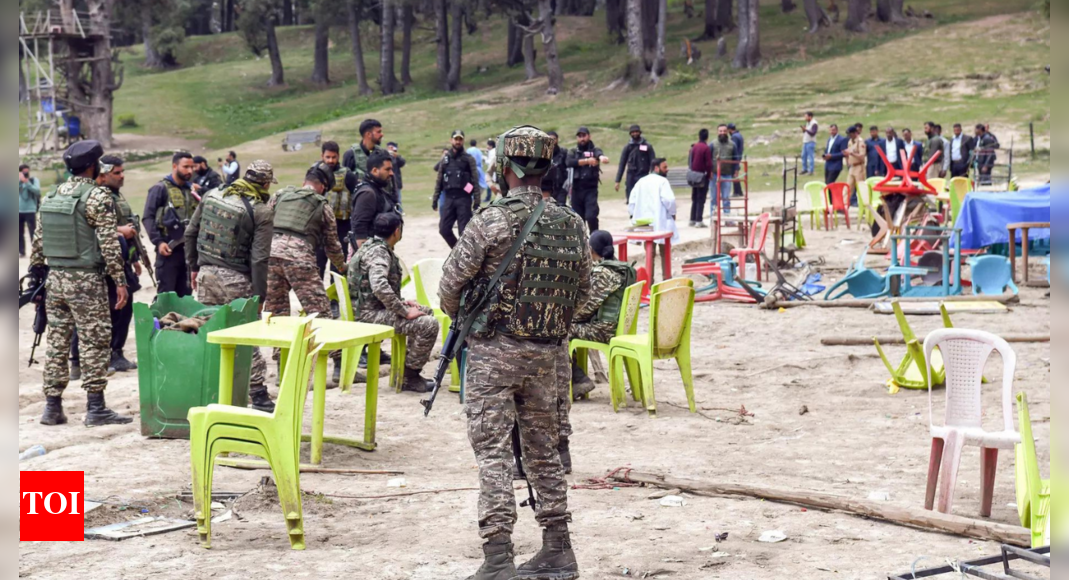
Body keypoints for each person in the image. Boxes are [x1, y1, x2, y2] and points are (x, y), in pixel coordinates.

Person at [439, 126, 591, 580]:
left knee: (494, 454)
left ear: (504, 166)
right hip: (547, 355)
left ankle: (498, 557)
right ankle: (558, 548)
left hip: (494, 353)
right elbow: (583, 294)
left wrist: (472, 316)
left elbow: (449, 286)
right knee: (544, 451)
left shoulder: (491, 220)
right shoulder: (572, 223)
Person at [30, 141, 133, 428]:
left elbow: (38, 242)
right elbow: (109, 243)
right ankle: (96, 408)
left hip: (55, 280)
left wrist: (38, 275)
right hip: (86, 280)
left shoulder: (52, 195)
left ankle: (52, 408)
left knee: (57, 343)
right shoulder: (98, 196)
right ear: (93, 166)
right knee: (94, 341)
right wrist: (120, 281)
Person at [185, 159, 277, 413]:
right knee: (245, 337)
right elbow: (259, 259)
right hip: (236, 280)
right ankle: (258, 395)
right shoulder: (261, 212)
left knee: (209, 332)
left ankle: (210, 389)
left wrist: (194, 267)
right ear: (266, 184)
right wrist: (259, 297)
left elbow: (190, 233)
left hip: (206, 275)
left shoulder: (212, 195)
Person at [266, 164, 349, 386]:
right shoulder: (323, 206)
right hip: (299, 259)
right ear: (323, 187)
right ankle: (338, 366)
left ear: (305, 182)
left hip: (270, 257)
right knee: (321, 313)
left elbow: (263, 225)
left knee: (277, 315)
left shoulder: (279, 195)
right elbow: (332, 246)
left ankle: (282, 370)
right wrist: (342, 267)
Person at [348, 213, 437, 393]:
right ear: (397, 231)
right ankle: (409, 377)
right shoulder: (379, 253)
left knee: (425, 311)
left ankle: (407, 369)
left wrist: (402, 302)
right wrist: (404, 311)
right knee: (429, 324)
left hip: (369, 309)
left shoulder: (370, 246)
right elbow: (379, 286)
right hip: (369, 316)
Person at [70, 155, 142, 377]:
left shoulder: (116, 195)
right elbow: (89, 227)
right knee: (95, 313)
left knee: (123, 308)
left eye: (122, 172)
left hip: (120, 259)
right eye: (116, 173)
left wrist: (134, 258)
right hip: (100, 262)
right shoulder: (93, 196)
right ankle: (79, 360)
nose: (122, 176)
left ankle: (116, 353)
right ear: (102, 174)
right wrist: (121, 231)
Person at [568, 230, 636, 401]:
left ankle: (577, 380)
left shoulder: (603, 273)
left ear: (590, 249)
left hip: (603, 330)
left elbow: (586, 308)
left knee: (560, 331)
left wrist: (566, 317)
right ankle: (578, 379)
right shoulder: (623, 268)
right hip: (619, 327)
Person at [143, 152, 198, 297]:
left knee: (185, 296)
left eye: (192, 167)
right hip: (168, 250)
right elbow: (148, 217)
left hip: (188, 253)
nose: (190, 171)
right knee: (166, 296)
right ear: (174, 166)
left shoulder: (191, 190)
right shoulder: (160, 188)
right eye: (186, 167)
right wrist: (158, 242)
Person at [433, 130, 482, 249]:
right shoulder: (445, 159)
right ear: (451, 140)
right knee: (444, 229)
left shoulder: (468, 159)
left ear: (463, 141)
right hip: (449, 199)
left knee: (463, 233)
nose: (458, 142)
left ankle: (464, 255)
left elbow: (475, 181)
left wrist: (477, 201)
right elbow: (439, 180)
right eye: (456, 139)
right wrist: (435, 199)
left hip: (464, 199)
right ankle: (458, 252)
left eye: (460, 139)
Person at [316, 142, 359, 276]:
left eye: (333, 157)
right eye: (327, 157)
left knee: (339, 268)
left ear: (338, 156)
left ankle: (336, 291)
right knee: (317, 265)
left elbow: (357, 197)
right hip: (320, 226)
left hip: (341, 226)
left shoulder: (348, 175)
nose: (331, 160)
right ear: (322, 156)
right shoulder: (315, 173)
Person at [350, 151, 401, 250]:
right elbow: (360, 232)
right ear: (374, 171)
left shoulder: (377, 189)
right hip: (370, 254)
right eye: (387, 169)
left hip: (378, 250)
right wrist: (367, 256)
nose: (391, 173)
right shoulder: (367, 194)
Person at [627, 158, 680, 245]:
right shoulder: (663, 181)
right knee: (664, 243)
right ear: (656, 168)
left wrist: (633, 215)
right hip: (660, 219)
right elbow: (669, 200)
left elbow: (632, 201)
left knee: (649, 244)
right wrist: (673, 213)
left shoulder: (641, 181)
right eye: (664, 167)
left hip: (644, 220)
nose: (667, 169)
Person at [566, 127, 606, 233]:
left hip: (590, 190)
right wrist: (587, 161)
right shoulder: (573, 151)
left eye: (584, 136)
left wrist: (601, 157)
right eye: (579, 136)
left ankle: (595, 237)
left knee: (591, 216)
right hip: (576, 190)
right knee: (578, 219)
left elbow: (599, 153)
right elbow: (569, 162)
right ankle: (581, 240)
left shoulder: (594, 150)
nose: (582, 138)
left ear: (589, 136)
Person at [345, 119, 395, 198]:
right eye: (378, 132)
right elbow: (345, 182)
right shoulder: (351, 155)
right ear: (368, 134)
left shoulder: (383, 154)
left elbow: (391, 180)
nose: (382, 135)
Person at [615, 125, 656, 204]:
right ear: (630, 134)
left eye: (636, 132)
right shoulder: (627, 147)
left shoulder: (647, 146)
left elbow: (653, 162)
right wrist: (617, 180)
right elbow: (622, 164)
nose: (635, 134)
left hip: (643, 175)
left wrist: (653, 176)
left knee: (644, 198)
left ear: (640, 132)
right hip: (631, 176)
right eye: (633, 132)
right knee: (631, 199)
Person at [688, 129, 713, 227]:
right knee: (701, 198)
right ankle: (699, 220)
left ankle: (692, 219)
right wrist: (709, 174)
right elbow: (708, 163)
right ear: (707, 137)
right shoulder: (706, 148)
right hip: (702, 176)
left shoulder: (694, 147)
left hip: (694, 175)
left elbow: (690, 161)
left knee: (694, 198)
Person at [711, 125, 737, 216]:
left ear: (727, 132)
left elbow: (736, 159)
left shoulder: (732, 145)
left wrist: (736, 170)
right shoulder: (712, 144)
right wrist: (709, 171)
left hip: (727, 174)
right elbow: (708, 159)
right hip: (714, 175)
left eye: (724, 131)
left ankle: (727, 217)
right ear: (717, 132)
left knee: (726, 197)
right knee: (714, 198)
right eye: (720, 131)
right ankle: (714, 217)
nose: (722, 133)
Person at [19, 164, 41, 258]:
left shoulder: (33, 180)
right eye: (23, 172)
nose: (25, 173)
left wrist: (27, 182)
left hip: (30, 209)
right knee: (19, 233)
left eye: (26, 171)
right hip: (18, 210)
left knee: (32, 231)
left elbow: (37, 191)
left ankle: (35, 251)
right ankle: (21, 251)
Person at [542, 131, 570, 207]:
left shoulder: (563, 153)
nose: (552, 141)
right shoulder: (542, 154)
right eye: (550, 139)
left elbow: (569, 166)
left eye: (554, 139)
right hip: (546, 187)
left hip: (561, 187)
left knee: (560, 207)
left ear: (557, 139)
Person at [843, 127, 867, 206]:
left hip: (859, 166)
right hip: (852, 167)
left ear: (855, 133)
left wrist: (851, 153)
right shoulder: (850, 141)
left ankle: (864, 204)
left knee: (861, 187)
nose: (849, 136)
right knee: (848, 187)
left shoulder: (860, 142)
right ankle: (844, 205)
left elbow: (862, 156)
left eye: (850, 134)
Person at [386, 142, 407, 211]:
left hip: (396, 183)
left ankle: (399, 214)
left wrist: (396, 156)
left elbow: (402, 162)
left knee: (398, 201)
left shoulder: (396, 157)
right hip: (386, 182)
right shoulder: (385, 156)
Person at [728, 123, 745, 197]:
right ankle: (739, 191)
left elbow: (733, 148)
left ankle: (736, 192)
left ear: (730, 129)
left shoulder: (734, 137)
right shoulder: (739, 135)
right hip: (739, 156)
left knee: (734, 174)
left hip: (735, 157)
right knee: (735, 174)